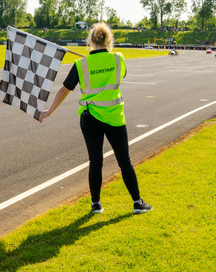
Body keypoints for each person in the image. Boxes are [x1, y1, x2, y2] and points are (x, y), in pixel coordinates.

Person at [39, 23, 152, 215]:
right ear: (109, 40)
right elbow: (122, 74)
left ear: (90, 41)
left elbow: (64, 89)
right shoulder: (118, 59)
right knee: (124, 160)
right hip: (114, 117)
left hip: (90, 117)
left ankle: (96, 204)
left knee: (95, 161)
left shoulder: (80, 65)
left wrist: (50, 110)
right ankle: (137, 202)